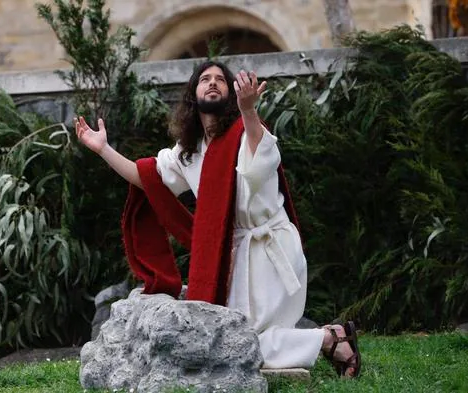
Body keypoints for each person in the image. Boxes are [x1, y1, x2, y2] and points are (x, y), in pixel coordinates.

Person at [74, 60, 361, 377]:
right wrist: (103, 149)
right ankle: (328, 337)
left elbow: (259, 163)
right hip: (233, 257)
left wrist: (249, 111)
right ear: (193, 94)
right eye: (205, 79)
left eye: (220, 80)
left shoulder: (245, 131)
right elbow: (147, 178)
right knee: (226, 341)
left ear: (231, 93)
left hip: (270, 250)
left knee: (242, 344)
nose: (212, 83)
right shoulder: (189, 151)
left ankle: (328, 339)